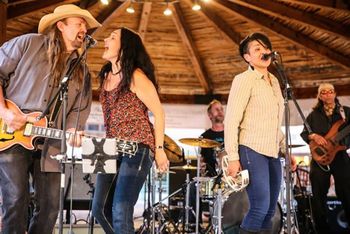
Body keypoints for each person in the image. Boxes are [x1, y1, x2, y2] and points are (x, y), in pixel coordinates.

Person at [0, 4, 100, 234]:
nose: (84, 28)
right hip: (11, 135)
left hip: (52, 144)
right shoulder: (28, 44)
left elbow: (78, 111)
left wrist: (75, 130)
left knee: (50, 207)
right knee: (15, 200)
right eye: (79, 23)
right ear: (61, 25)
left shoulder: (82, 72)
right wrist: (4, 111)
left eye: (85, 25)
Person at [91, 27, 169, 234]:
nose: (105, 39)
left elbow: (159, 114)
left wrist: (159, 150)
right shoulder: (106, 75)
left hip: (137, 146)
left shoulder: (136, 76)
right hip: (107, 146)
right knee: (98, 209)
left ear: (124, 46)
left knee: (120, 208)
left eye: (112, 37)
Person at [224, 32, 286, 234]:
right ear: (247, 57)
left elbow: (274, 121)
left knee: (269, 210)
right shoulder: (244, 79)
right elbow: (231, 120)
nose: (264, 51)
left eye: (265, 47)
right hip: (251, 147)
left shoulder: (275, 81)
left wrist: (285, 148)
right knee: (259, 207)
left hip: (273, 151)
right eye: (257, 49)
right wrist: (233, 157)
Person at [300, 83, 350, 234]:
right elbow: (304, 133)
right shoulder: (313, 115)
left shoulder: (346, 112)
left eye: (330, 92)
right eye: (324, 92)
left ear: (335, 94)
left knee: (347, 192)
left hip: (340, 155)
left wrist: (343, 144)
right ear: (320, 96)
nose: (328, 94)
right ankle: (322, 230)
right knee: (318, 195)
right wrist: (313, 135)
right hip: (319, 158)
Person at [200, 99, 225, 177]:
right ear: (210, 115)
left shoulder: (231, 133)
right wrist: (201, 167)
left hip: (230, 176)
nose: (220, 111)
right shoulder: (204, 137)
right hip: (211, 178)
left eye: (221, 109)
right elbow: (202, 159)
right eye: (217, 109)